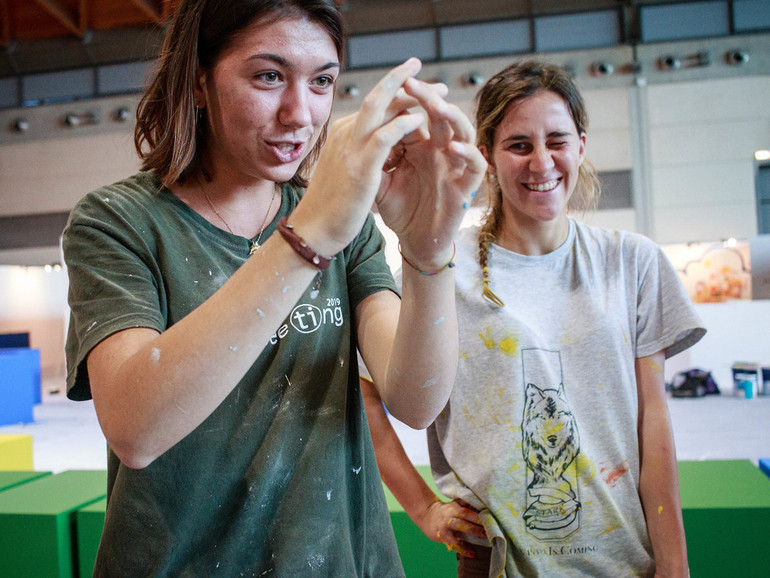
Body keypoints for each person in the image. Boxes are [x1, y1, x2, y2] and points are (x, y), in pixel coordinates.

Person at [62, 0, 486, 574]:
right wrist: (309, 234)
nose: (299, 114)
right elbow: (137, 430)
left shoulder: (347, 225)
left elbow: (416, 399)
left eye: (322, 82)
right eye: (268, 76)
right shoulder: (119, 222)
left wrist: (429, 251)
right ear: (197, 85)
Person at [361, 59, 706, 577]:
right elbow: (363, 389)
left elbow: (652, 420)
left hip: (623, 556)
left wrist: (674, 563)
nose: (541, 162)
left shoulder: (632, 262)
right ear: (488, 158)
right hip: (497, 562)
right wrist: (422, 507)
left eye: (557, 141)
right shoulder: (440, 268)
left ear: (582, 146)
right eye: (519, 145)